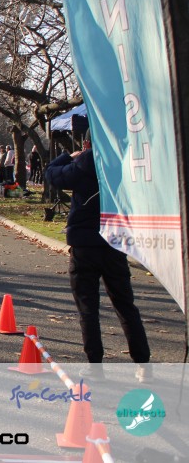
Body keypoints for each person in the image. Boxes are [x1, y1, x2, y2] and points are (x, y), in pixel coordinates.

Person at [45, 141, 152, 382]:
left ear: (86, 143)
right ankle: (143, 364)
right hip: (115, 241)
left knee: (88, 308)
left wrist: (67, 156)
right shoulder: (124, 162)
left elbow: (52, 175)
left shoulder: (85, 162)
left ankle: (95, 365)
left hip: (84, 244)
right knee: (125, 305)